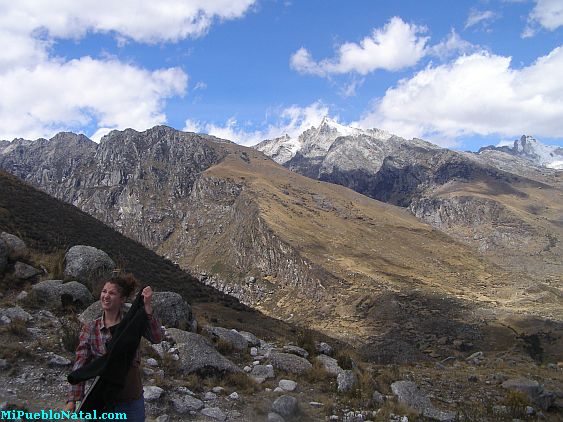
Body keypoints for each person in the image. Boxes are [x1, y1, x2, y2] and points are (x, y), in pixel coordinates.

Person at [65, 274, 164, 421]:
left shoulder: (132, 323)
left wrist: (148, 307)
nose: (106, 296)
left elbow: (157, 337)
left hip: (131, 402)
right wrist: (72, 399)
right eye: (104, 291)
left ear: (122, 299)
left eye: (112, 293)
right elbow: (81, 362)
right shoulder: (91, 329)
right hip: (103, 403)